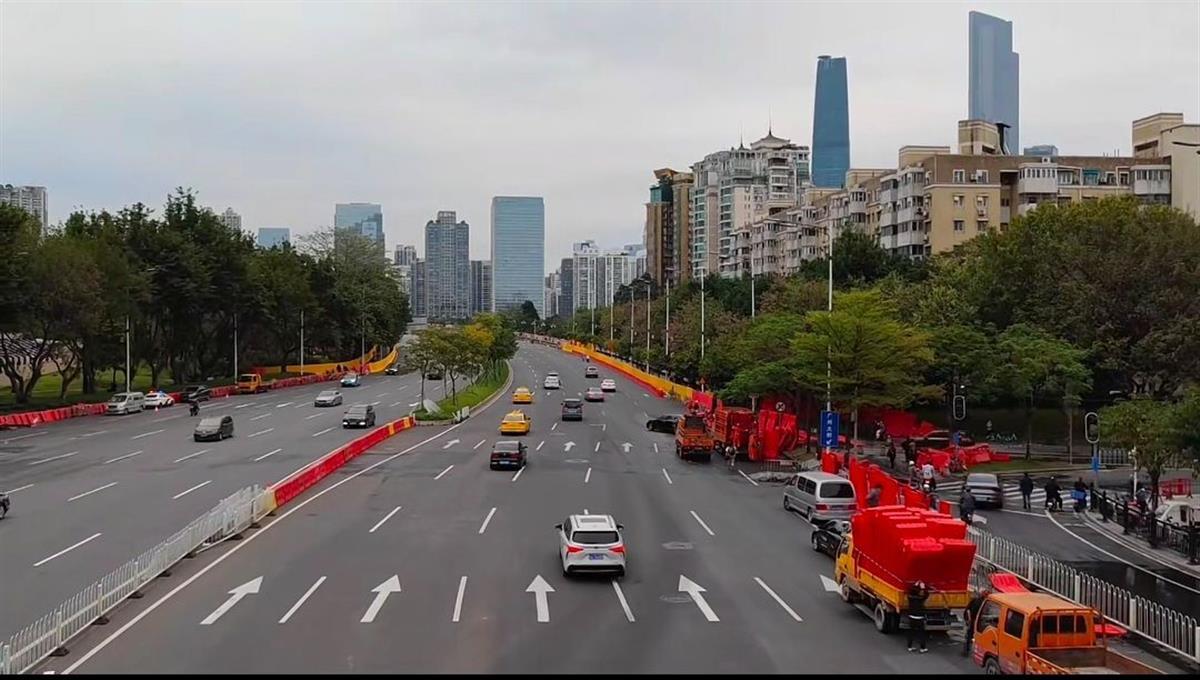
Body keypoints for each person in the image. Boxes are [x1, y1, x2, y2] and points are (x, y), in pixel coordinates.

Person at [962, 589, 990, 656]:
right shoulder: (983, 603)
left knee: (969, 636)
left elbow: (967, 610)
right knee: (971, 635)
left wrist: (968, 620)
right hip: (975, 621)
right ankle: (968, 650)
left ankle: (967, 650)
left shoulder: (977, 601)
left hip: (973, 621)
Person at [906, 581, 930, 653]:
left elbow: (910, 591)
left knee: (911, 632)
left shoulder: (910, 597)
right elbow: (927, 594)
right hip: (919, 618)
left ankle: (909, 647)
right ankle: (922, 648)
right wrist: (923, 588)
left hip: (911, 617)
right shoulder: (921, 599)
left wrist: (915, 585)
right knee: (921, 634)